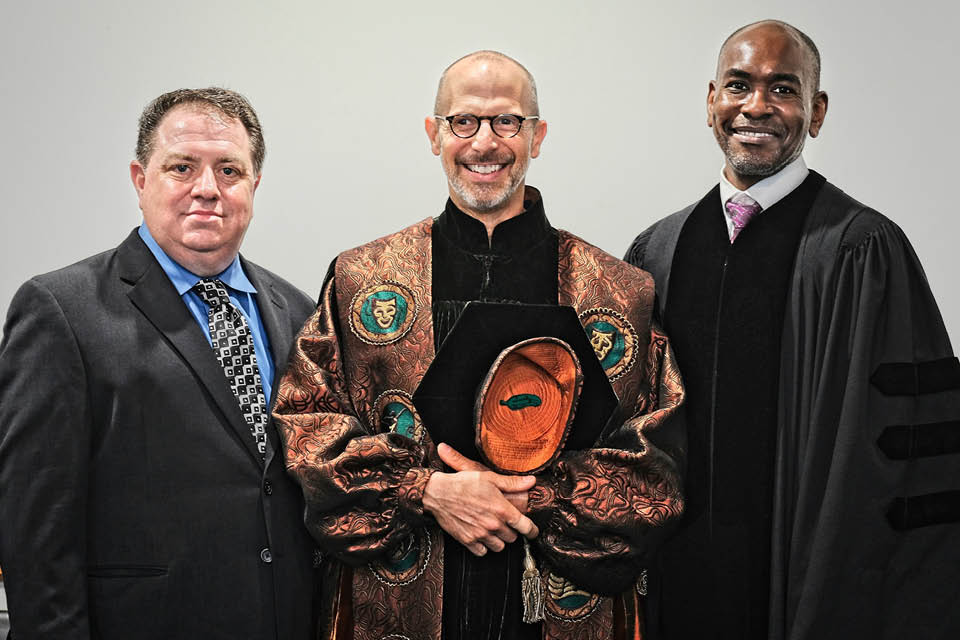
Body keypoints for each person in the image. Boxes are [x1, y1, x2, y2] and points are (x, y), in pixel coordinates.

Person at [273, 51, 686, 640]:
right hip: (402, 596)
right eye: (463, 121)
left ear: (537, 136)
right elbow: (308, 424)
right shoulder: (362, 278)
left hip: (557, 601)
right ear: (434, 134)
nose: (484, 142)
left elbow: (657, 470)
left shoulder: (620, 293)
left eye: (507, 121)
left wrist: (531, 497)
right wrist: (426, 491)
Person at [625, 20, 960, 640]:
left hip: (802, 581)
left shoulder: (863, 251)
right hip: (677, 579)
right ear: (711, 102)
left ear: (817, 110)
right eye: (738, 85)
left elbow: (898, 457)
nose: (756, 106)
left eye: (783, 88)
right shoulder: (659, 251)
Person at [0, 88, 318, 639]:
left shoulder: (299, 313)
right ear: (140, 179)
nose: (207, 188)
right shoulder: (62, 311)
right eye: (182, 167)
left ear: (255, 185)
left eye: (229, 171)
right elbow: (36, 527)